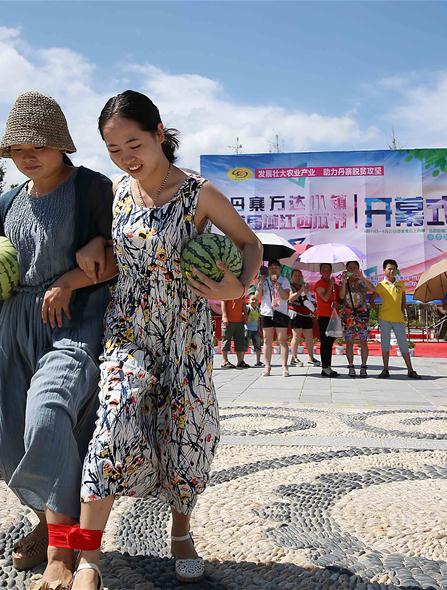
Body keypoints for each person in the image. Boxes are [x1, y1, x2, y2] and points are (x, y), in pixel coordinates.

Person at [73, 90, 262, 590]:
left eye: (134, 144)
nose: (126, 158)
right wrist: (96, 241)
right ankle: (87, 558)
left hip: (187, 334)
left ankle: (181, 533)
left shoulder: (198, 193)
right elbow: (104, 246)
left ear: (160, 134)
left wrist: (236, 286)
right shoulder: (115, 193)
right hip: (128, 331)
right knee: (114, 422)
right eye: (114, 150)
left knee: (188, 434)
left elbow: (250, 243)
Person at [0, 90, 117, 589]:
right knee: (12, 433)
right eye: (18, 148)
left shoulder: (93, 189)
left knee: (48, 415)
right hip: (15, 326)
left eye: (38, 145)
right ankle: (47, 525)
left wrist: (88, 256)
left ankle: (64, 553)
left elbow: (122, 250)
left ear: (62, 144)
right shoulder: (5, 202)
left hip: (74, 322)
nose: (27, 155)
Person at [375, 259, 420, 379]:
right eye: (389, 268)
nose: (391, 271)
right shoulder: (380, 285)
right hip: (384, 319)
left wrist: (401, 311)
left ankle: (410, 369)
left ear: (396, 270)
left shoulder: (401, 284)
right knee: (385, 344)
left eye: (394, 269)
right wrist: (378, 312)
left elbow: (403, 301)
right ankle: (385, 369)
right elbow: (371, 300)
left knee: (403, 344)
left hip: (398, 319)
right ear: (384, 270)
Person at [339, 261, 375, 377]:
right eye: (350, 268)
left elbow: (373, 289)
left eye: (355, 268)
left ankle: (364, 366)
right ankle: (351, 366)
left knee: (363, 341)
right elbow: (341, 296)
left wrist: (362, 278)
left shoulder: (362, 282)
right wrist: (344, 282)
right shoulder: (344, 282)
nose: (352, 270)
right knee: (349, 342)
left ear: (359, 269)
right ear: (346, 270)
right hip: (348, 316)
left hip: (362, 316)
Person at [256, 260, 291, 376]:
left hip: (280, 312)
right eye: (271, 267)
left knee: (282, 340)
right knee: (267, 340)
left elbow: (286, 297)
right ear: (268, 269)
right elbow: (257, 298)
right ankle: (267, 366)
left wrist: (278, 286)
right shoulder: (264, 281)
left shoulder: (284, 280)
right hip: (267, 312)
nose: (273, 269)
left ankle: (284, 367)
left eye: (276, 267)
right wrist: (260, 283)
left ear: (280, 269)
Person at [287, 269, 320, 368]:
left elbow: (308, 299)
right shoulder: (290, 286)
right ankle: (294, 358)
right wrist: (301, 290)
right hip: (295, 312)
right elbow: (290, 298)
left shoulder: (304, 285)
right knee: (296, 336)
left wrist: (306, 291)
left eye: (299, 275)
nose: (297, 277)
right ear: (292, 277)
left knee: (309, 337)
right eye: (295, 275)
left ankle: (311, 358)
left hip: (306, 313)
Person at [313, 263, 339, 377]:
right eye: (324, 270)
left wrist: (336, 303)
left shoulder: (334, 285)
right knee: (325, 341)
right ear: (321, 272)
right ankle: (324, 367)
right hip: (323, 316)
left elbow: (338, 299)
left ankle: (328, 367)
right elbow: (325, 297)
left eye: (328, 269)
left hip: (333, 316)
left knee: (330, 342)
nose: (326, 271)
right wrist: (330, 285)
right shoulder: (319, 284)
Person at [245, 293, 263, 367]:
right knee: (244, 346)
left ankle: (258, 361)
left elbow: (258, 320)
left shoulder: (258, 309)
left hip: (255, 330)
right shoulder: (247, 308)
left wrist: (259, 329)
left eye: (256, 300)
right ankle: (241, 361)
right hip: (247, 329)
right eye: (252, 299)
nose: (254, 301)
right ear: (249, 300)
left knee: (258, 346)